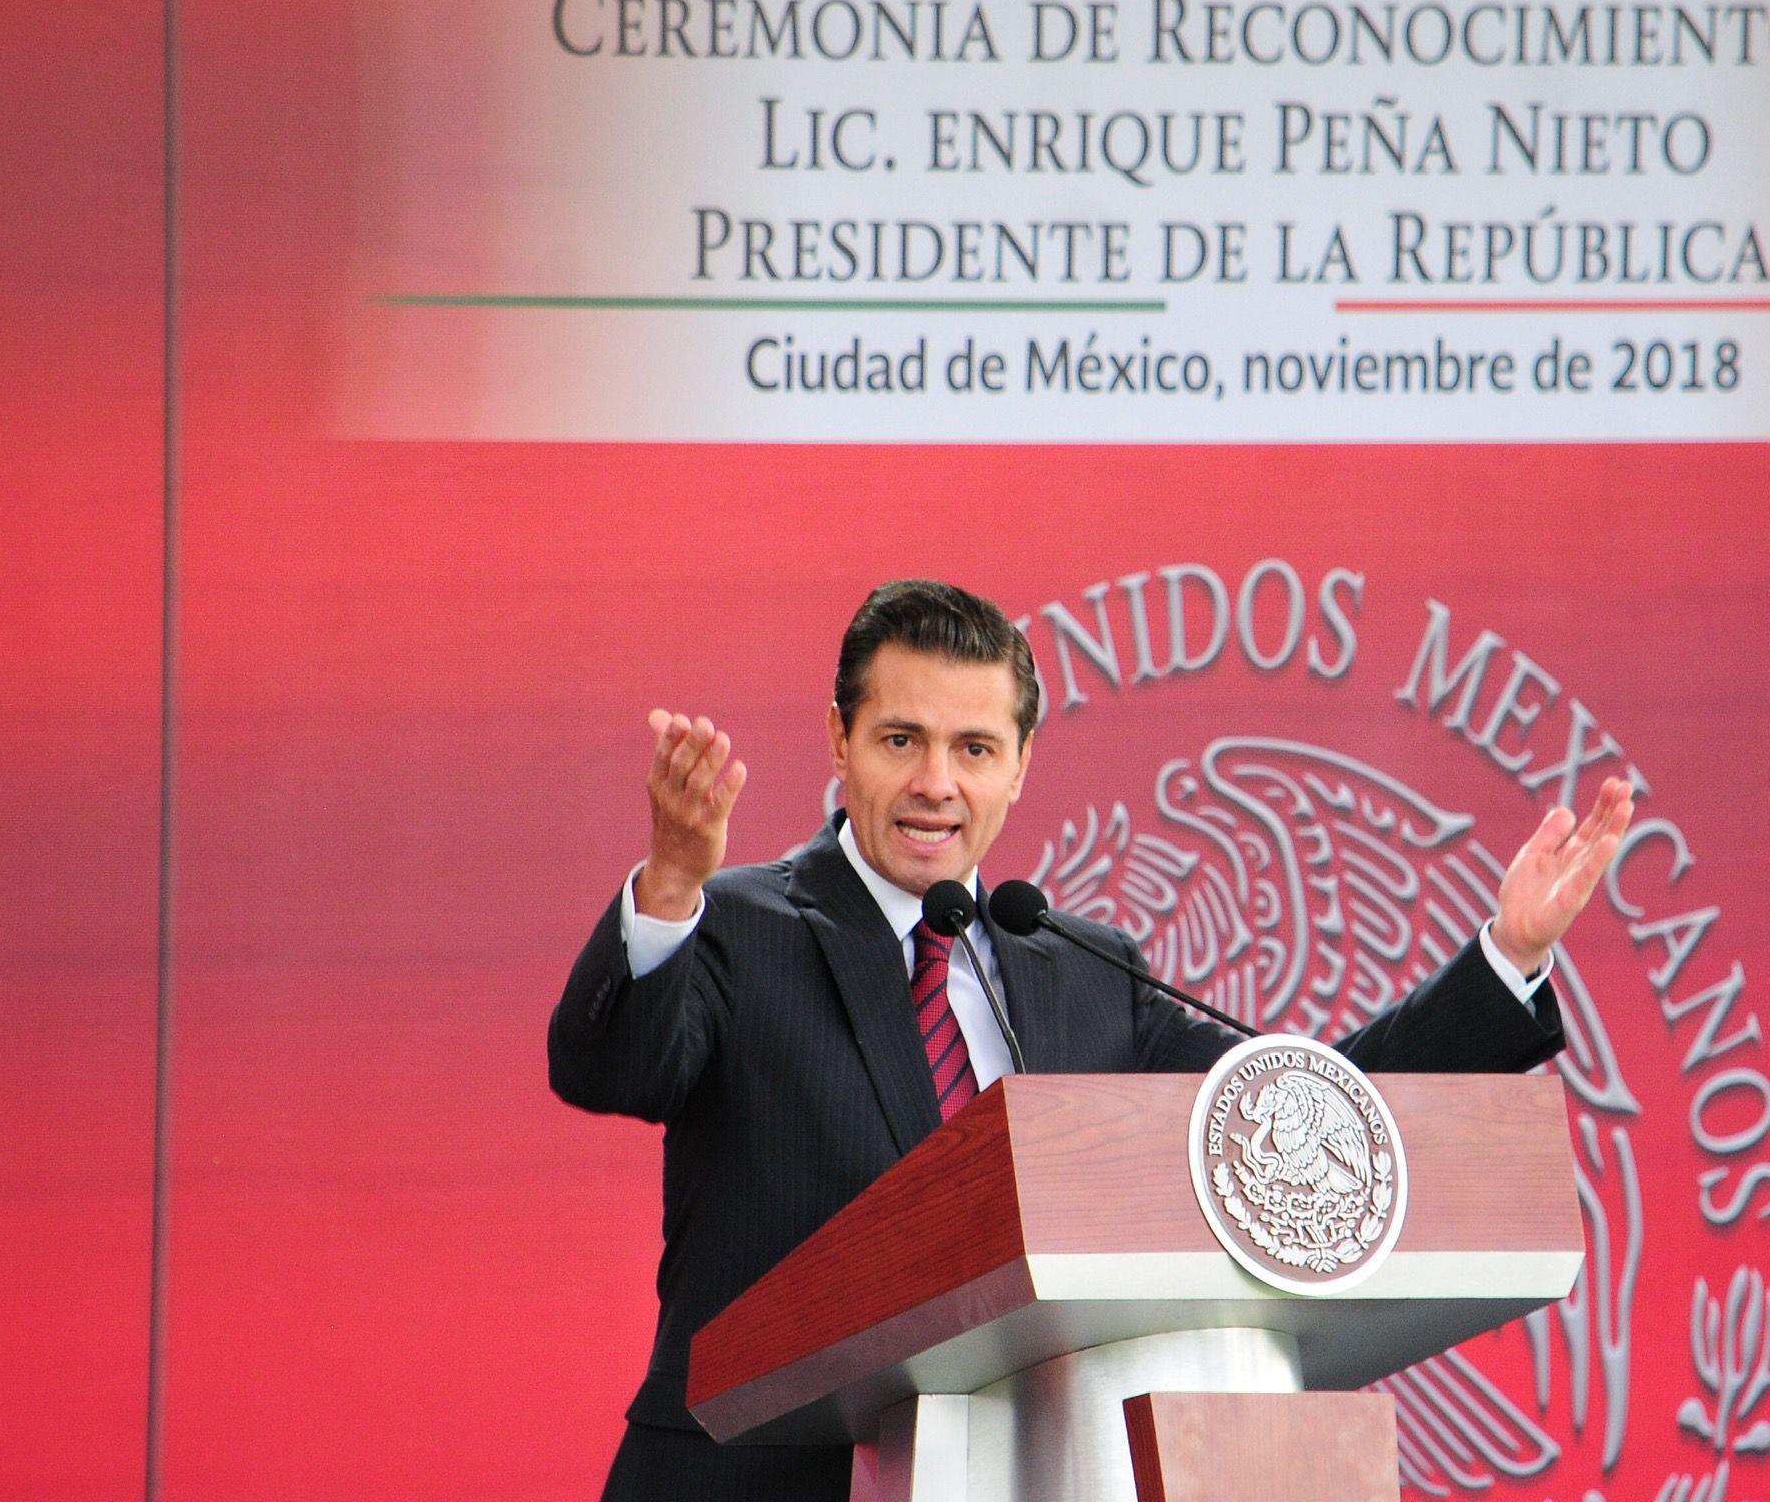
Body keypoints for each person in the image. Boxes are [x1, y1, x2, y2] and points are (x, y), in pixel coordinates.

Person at [549, 579, 1633, 1502]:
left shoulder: (1082, 969)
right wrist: (672, 885)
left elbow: (1303, 1120)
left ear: (1021, 764)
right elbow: (608, 1067)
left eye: (975, 748)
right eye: (900, 740)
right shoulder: (736, 926)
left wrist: (1504, 959)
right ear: (840, 740)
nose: (936, 784)